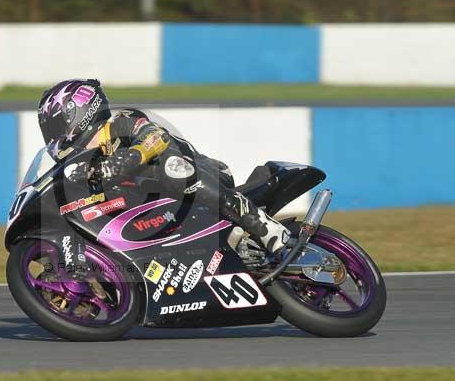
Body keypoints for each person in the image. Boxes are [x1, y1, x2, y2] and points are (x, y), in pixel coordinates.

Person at [37, 78, 292, 258]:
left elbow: (157, 137)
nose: (53, 137)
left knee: (171, 167)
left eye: (55, 126)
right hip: (160, 214)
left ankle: (267, 229)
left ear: (77, 111)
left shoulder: (120, 122)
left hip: (202, 175)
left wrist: (129, 158)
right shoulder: (84, 163)